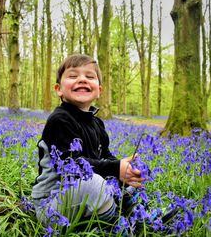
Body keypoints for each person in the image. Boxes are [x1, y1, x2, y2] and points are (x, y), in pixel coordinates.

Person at [31, 54, 144, 231]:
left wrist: (124, 171)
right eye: (73, 76)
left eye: (89, 76)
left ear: (99, 90)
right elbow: (70, 165)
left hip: (82, 202)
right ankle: (116, 227)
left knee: (130, 183)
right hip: (54, 206)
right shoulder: (60, 120)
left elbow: (105, 156)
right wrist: (115, 169)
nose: (82, 79)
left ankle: (143, 219)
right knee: (95, 186)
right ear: (58, 89)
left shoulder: (97, 123)